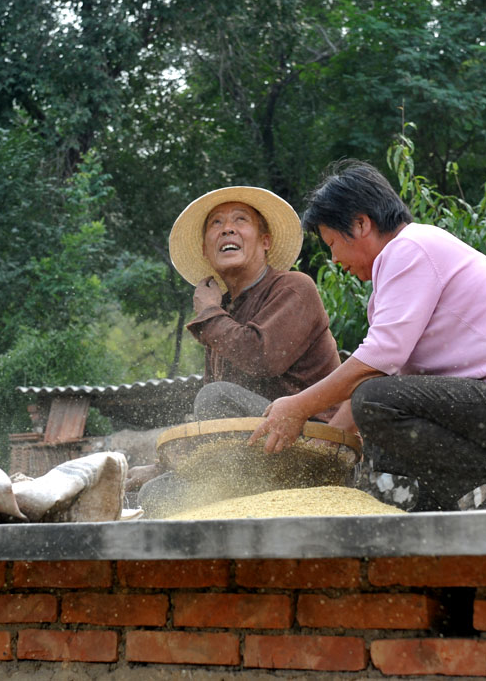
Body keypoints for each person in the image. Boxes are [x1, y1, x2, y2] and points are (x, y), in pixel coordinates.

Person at [250, 160, 486, 511]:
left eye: (333, 243)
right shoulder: (402, 265)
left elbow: (377, 363)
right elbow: (392, 374)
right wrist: (330, 447)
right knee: (380, 405)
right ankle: (436, 502)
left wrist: (298, 406)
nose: (334, 259)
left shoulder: (410, 249)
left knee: (375, 401)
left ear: (361, 224)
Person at [131, 186, 342, 515]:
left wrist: (209, 315)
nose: (227, 228)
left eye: (240, 220)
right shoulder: (221, 313)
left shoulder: (294, 287)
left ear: (265, 241)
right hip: (253, 458)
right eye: (216, 223)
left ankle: (237, 494)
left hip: (308, 445)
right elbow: (215, 430)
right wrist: (166, 466)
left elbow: (261, 360)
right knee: (155, 494)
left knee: (214, 398)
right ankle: (238, 496)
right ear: (205, 250)